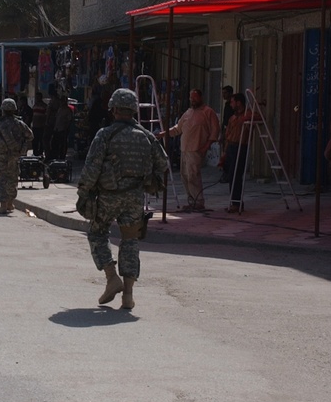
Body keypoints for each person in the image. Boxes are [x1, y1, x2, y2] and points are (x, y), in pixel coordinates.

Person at [77, 88, 169, 310]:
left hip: (108, 197)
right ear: (134, 110)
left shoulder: (105, 135)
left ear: (114, 109)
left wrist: (83, 193)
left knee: (97, 234)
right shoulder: (146, 136)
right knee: (130, 241)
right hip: (135, 197)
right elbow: (163, 163)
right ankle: (128, 295)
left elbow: (91, 169)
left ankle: (111, 278)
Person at [158, 88, 220, 211]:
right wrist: (163, 134)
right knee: (184, 175)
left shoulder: (208, 112)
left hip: (196, 149)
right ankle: (192, 200)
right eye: (191, 98)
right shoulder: (187, 112)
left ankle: (198, 201)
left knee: (193, 175)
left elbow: (215, 131)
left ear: (200, 97)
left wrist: (206, 146)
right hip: (184, 149)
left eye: (195, 97)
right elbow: (177, 129)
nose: (192, 100)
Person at [0, 97, 33, 214]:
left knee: (1, 180)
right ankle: (10, 203)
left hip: (0, 156)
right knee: (12, 179)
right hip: (14, 156)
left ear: (2, 110)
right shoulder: (19, 124)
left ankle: (3, 205)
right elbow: (30, 135)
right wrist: (22, 148)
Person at [221, 92, 252, 213]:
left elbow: (258, 117)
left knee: (236, 174)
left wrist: (244, 118)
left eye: (233, 102)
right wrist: (225, 152)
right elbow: (228, 135)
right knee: (230, 174)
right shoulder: (232, 118)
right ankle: (234, 201)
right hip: (231, 147)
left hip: (241, 146)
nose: (231, 104)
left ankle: (237, 202)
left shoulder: (247, 115)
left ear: (239, 102)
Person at [50, 96, 73, 160]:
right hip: (57, 128)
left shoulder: (67, 110)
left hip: (63, 129)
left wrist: (66, 128)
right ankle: (55, 156)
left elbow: (69, 120)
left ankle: (62, 157)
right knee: (55, 143)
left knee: (63, 144)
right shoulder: (59, 109)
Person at [30, 91, 48, 157]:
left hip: (41, 126)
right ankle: (35, 152)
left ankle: (40, 152)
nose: (37, 99)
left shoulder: (44, 106)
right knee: (35, 140)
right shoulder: (35, 106)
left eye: (38, 97)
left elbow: (46, 116)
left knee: (41, 140)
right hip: (35, 126)